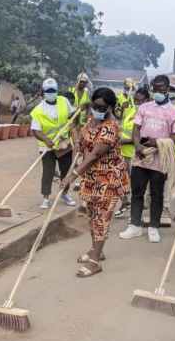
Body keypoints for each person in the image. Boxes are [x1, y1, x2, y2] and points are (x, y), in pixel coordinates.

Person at [61, 88, 129, 277]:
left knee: (101, 219)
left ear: (110, 108)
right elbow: (80, 149)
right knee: (92, 217)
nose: (97, 109)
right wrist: (68, 175)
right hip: (90, 178)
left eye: (101, 107)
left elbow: (93, 155)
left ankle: (95, 262)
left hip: (109, 180)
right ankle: (96, 249)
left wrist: (72, 177)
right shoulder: (90, 123)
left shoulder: (111, 127)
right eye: (94, 106)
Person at [119, 75, 175, 243]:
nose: (158, 92)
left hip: (160, 157)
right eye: (155, 89)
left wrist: (157, 143)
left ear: (168, 89)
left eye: (161, 89)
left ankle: (154, 227)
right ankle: (135, 225)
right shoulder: (145, 108)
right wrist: (137, 145)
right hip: (141, 156)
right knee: (137, 191)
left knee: (156, 194)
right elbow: (136, 129)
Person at [30, 78, 78, 209]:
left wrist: (74, 120)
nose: (51, 93)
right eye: (48, 91)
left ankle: (65, 194)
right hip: (47, 146)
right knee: (48, 172)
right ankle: (46, 198)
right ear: (43, 92)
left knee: (66, 170)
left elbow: (72, 116)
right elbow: (35, 130)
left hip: (63, 143)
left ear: (57, 91)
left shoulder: (64, 101)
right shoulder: (38, 110)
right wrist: (46, 139)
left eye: (53, 90)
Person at [117, 86, 149, 218]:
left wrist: (126, 141)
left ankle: (136, 214)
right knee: (121, 180)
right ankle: (125, 202)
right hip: (124, 153)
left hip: (137, 154)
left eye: (140, 101)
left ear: (147, 100)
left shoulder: (148, 115)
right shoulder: (131, 111)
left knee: (137, 185)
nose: (137, 103)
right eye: (135, 100)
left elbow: (144, 137)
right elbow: (122, 127)